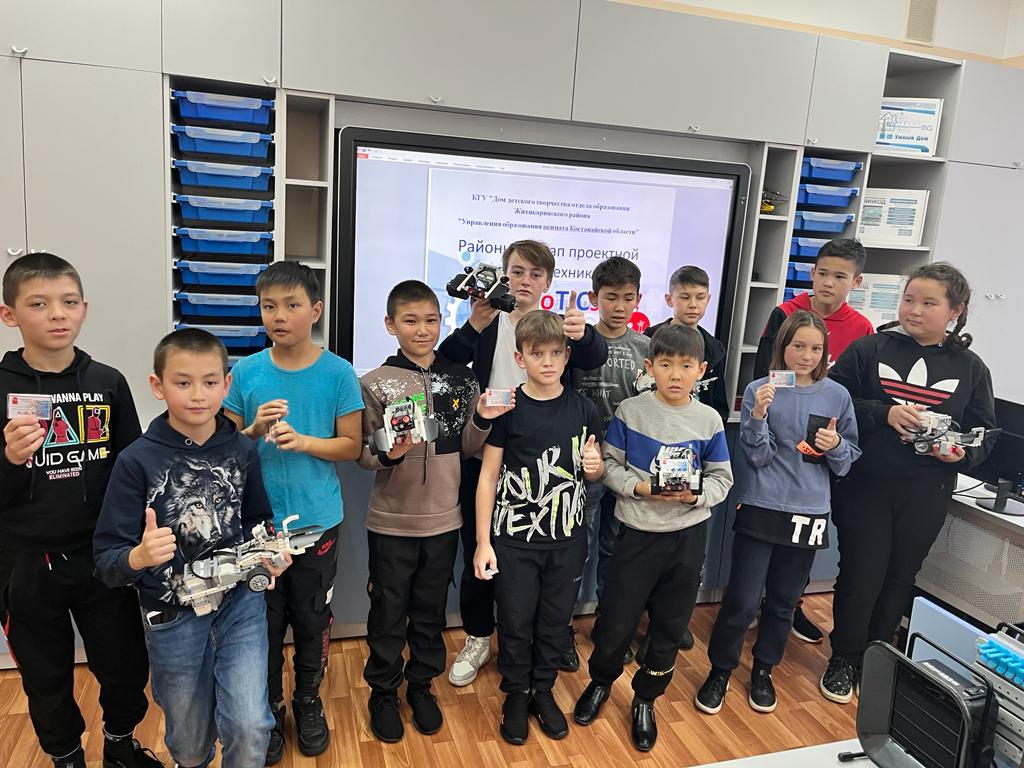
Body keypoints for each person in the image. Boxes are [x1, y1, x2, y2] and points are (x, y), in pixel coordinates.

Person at [94, 328, 286, 768]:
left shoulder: (242, 450)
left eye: (210, 382)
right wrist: (139, 557)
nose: (198, 394)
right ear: (158, 386)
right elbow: (106, 560)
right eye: (183, 382)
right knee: (189, 739)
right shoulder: (135, 461)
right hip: (172, 617)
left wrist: (269, 551)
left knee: (252, 726)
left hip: (240, 604)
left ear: (226, 384)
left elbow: (258, 520)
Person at [0, 252, 160, 768]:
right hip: (25, 561)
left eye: (69, 302)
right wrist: (9, 459)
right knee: (45, 674)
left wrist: (137, 538)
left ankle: (120, 743)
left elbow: (131, 467)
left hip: (102, 554)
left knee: (124, 663)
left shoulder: (107, 381)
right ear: (9, 315)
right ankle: (66, 756)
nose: (57, 314)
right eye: (39, 304)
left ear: (84, 309)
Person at [822, 262, 997, 704]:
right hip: (867, 484)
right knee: (861, 575)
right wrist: (884, 413)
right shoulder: (870, 348)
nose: (914, 310)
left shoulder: (971, 367)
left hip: (927, 491)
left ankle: (879, 657)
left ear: (955, 311)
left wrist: (961, 454)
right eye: (909, 299)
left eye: (928, 303)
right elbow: (833, 400)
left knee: (901, 577)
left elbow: (984, 432)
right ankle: (844, 657)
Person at [439, 240, 608, 684]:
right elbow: (447, 361)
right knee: (479, 551)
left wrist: (584, 333)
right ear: (504, 276)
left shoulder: (556, 328)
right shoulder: (488, 321)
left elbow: (595, 356)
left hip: (546, 465)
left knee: (555, 561)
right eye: (517, 272)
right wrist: (473, 324)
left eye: (535, 274)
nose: (525, 281)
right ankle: (479, 635)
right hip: (489, 453)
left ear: (548, 281)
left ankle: (553, 636)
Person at [357, 280, 512, 742]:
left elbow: (467, 447)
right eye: (410, 321)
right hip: (391, 521)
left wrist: (482, 418)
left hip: (444, 519)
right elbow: (363, 453)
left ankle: (421, 686)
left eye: (430, 320)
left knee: (429, 612)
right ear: (391, 325)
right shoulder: (374, 382)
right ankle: (384, 692)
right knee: (388, 612)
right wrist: (390, 452)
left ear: (442, 322)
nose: (422, 330)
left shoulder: (461, 378)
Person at [223, 262, 364, 763]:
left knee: (311, 618)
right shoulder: (246, 372)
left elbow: (351, 446)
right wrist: (253, 431)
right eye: (269, 306)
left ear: (316, 310)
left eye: (292, 305)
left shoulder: (338, 372)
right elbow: (223, 449)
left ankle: (307, 700)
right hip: (255, 528)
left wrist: (304, 441)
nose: (279, 316)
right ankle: (268, 708)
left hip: (317, 521)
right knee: (259, 624)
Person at [572, 324, 733, 752]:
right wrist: (640, 488)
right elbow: (609, 465)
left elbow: (722, 479)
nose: (675, 374)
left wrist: (696, 494)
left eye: (686, 366)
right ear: (649, 367)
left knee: (670, 624)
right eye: (666, 365)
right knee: (617, 618)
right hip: (637, 533)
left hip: (687, 536)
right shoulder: (631, 411)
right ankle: (600, 682)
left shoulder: (709, 420)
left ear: (701, 370)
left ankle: (646, 697)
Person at [695, 311, 859, 717]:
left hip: (809, 510)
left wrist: (836, 444)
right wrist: (757, 417)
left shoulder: (837, 395)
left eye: (815, 348)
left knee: (784, 601)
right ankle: (720, 670)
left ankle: (764, 669)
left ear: (825, 352)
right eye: (798, 346)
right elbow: (757, 456)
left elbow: (846, 461)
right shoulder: (761, 388)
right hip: (762, 503)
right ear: (783, 346)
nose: (806, 355)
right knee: (742, 598)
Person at [472, 310, 605, 745]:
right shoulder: (508, 408)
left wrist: (595, 467)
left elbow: (595, 470)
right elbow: (488, 477)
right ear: (520, 357)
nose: (547, 362)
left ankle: (542, 690)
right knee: (515, 619)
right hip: (515, 539)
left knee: (554, 621)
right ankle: (516, 692)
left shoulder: (584, 409)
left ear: (567, 356)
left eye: (555, 353)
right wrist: (483, 542)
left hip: (567, 539)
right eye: (537, 354)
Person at [753, 238, 874, 644]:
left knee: (803, 542)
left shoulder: (861, 329)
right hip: (778, 440)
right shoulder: (785, 313)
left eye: (839, 276)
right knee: (761, 541)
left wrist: (833, 435)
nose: (828, 282)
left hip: (824, 446)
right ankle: (755, 602)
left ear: (856, 282)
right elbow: (764, 375)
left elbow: (857, 393)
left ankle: (791, 605)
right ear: (811, 273)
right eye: (822, 273)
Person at [571, 256, 649, 661]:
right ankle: (561, 626)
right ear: (594, 298)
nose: (619, 306)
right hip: (580, 462)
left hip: (626, 466)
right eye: (611, 297)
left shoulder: (646, 348)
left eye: (628, 298)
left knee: (615, 549)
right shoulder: (578, 343)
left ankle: (609, 622)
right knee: (576, 546)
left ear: (639, 299)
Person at [645, 265, 730, 422]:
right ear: (669, 300)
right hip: (654, 424)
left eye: (700, 297)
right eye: (685, 297)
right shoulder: (649, 339)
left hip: (696, 430)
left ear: (708, 299)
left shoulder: (715, 349)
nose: (693, 304)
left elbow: (718, 405)